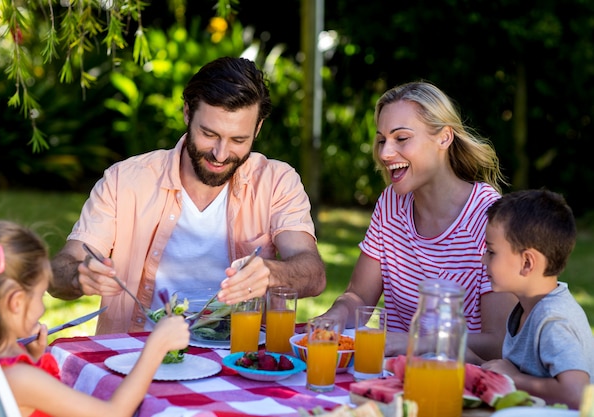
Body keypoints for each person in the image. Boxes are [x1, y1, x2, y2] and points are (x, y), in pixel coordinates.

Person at [49, 56, 326, 334]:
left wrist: (271, 273)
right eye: (209, 134)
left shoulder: (276, 181)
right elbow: (59, 272)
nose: (220, 154)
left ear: (258, 129)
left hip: (239, 360)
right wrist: (77, 276)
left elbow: (313, 274)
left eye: (238, 140)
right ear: (186, 113)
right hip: (136, 357)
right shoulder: (124, 181)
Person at [320, 80, 516, 363]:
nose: (386, 153)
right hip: (390, 378)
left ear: (444, 138)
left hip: (454, 384)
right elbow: (359, 296)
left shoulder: (488, 216)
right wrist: (335, 314)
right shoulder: (391, 203)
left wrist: (416, 343)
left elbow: (499, 342)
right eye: (381, 140)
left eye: (401, 139)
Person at [0, 220, 190, 417]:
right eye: (39, 295)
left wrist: (33, 358)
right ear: (16, 303)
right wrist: (155, 348)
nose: (42, 307)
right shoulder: (19, 377)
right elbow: (113, 413)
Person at [480, 189, 594, 409]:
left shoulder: (553, 319)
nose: (483, 259)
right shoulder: (525, 309)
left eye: (491, 251)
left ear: (527, 263)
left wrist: (514, 379)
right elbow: (508, 370)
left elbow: (576, 393)